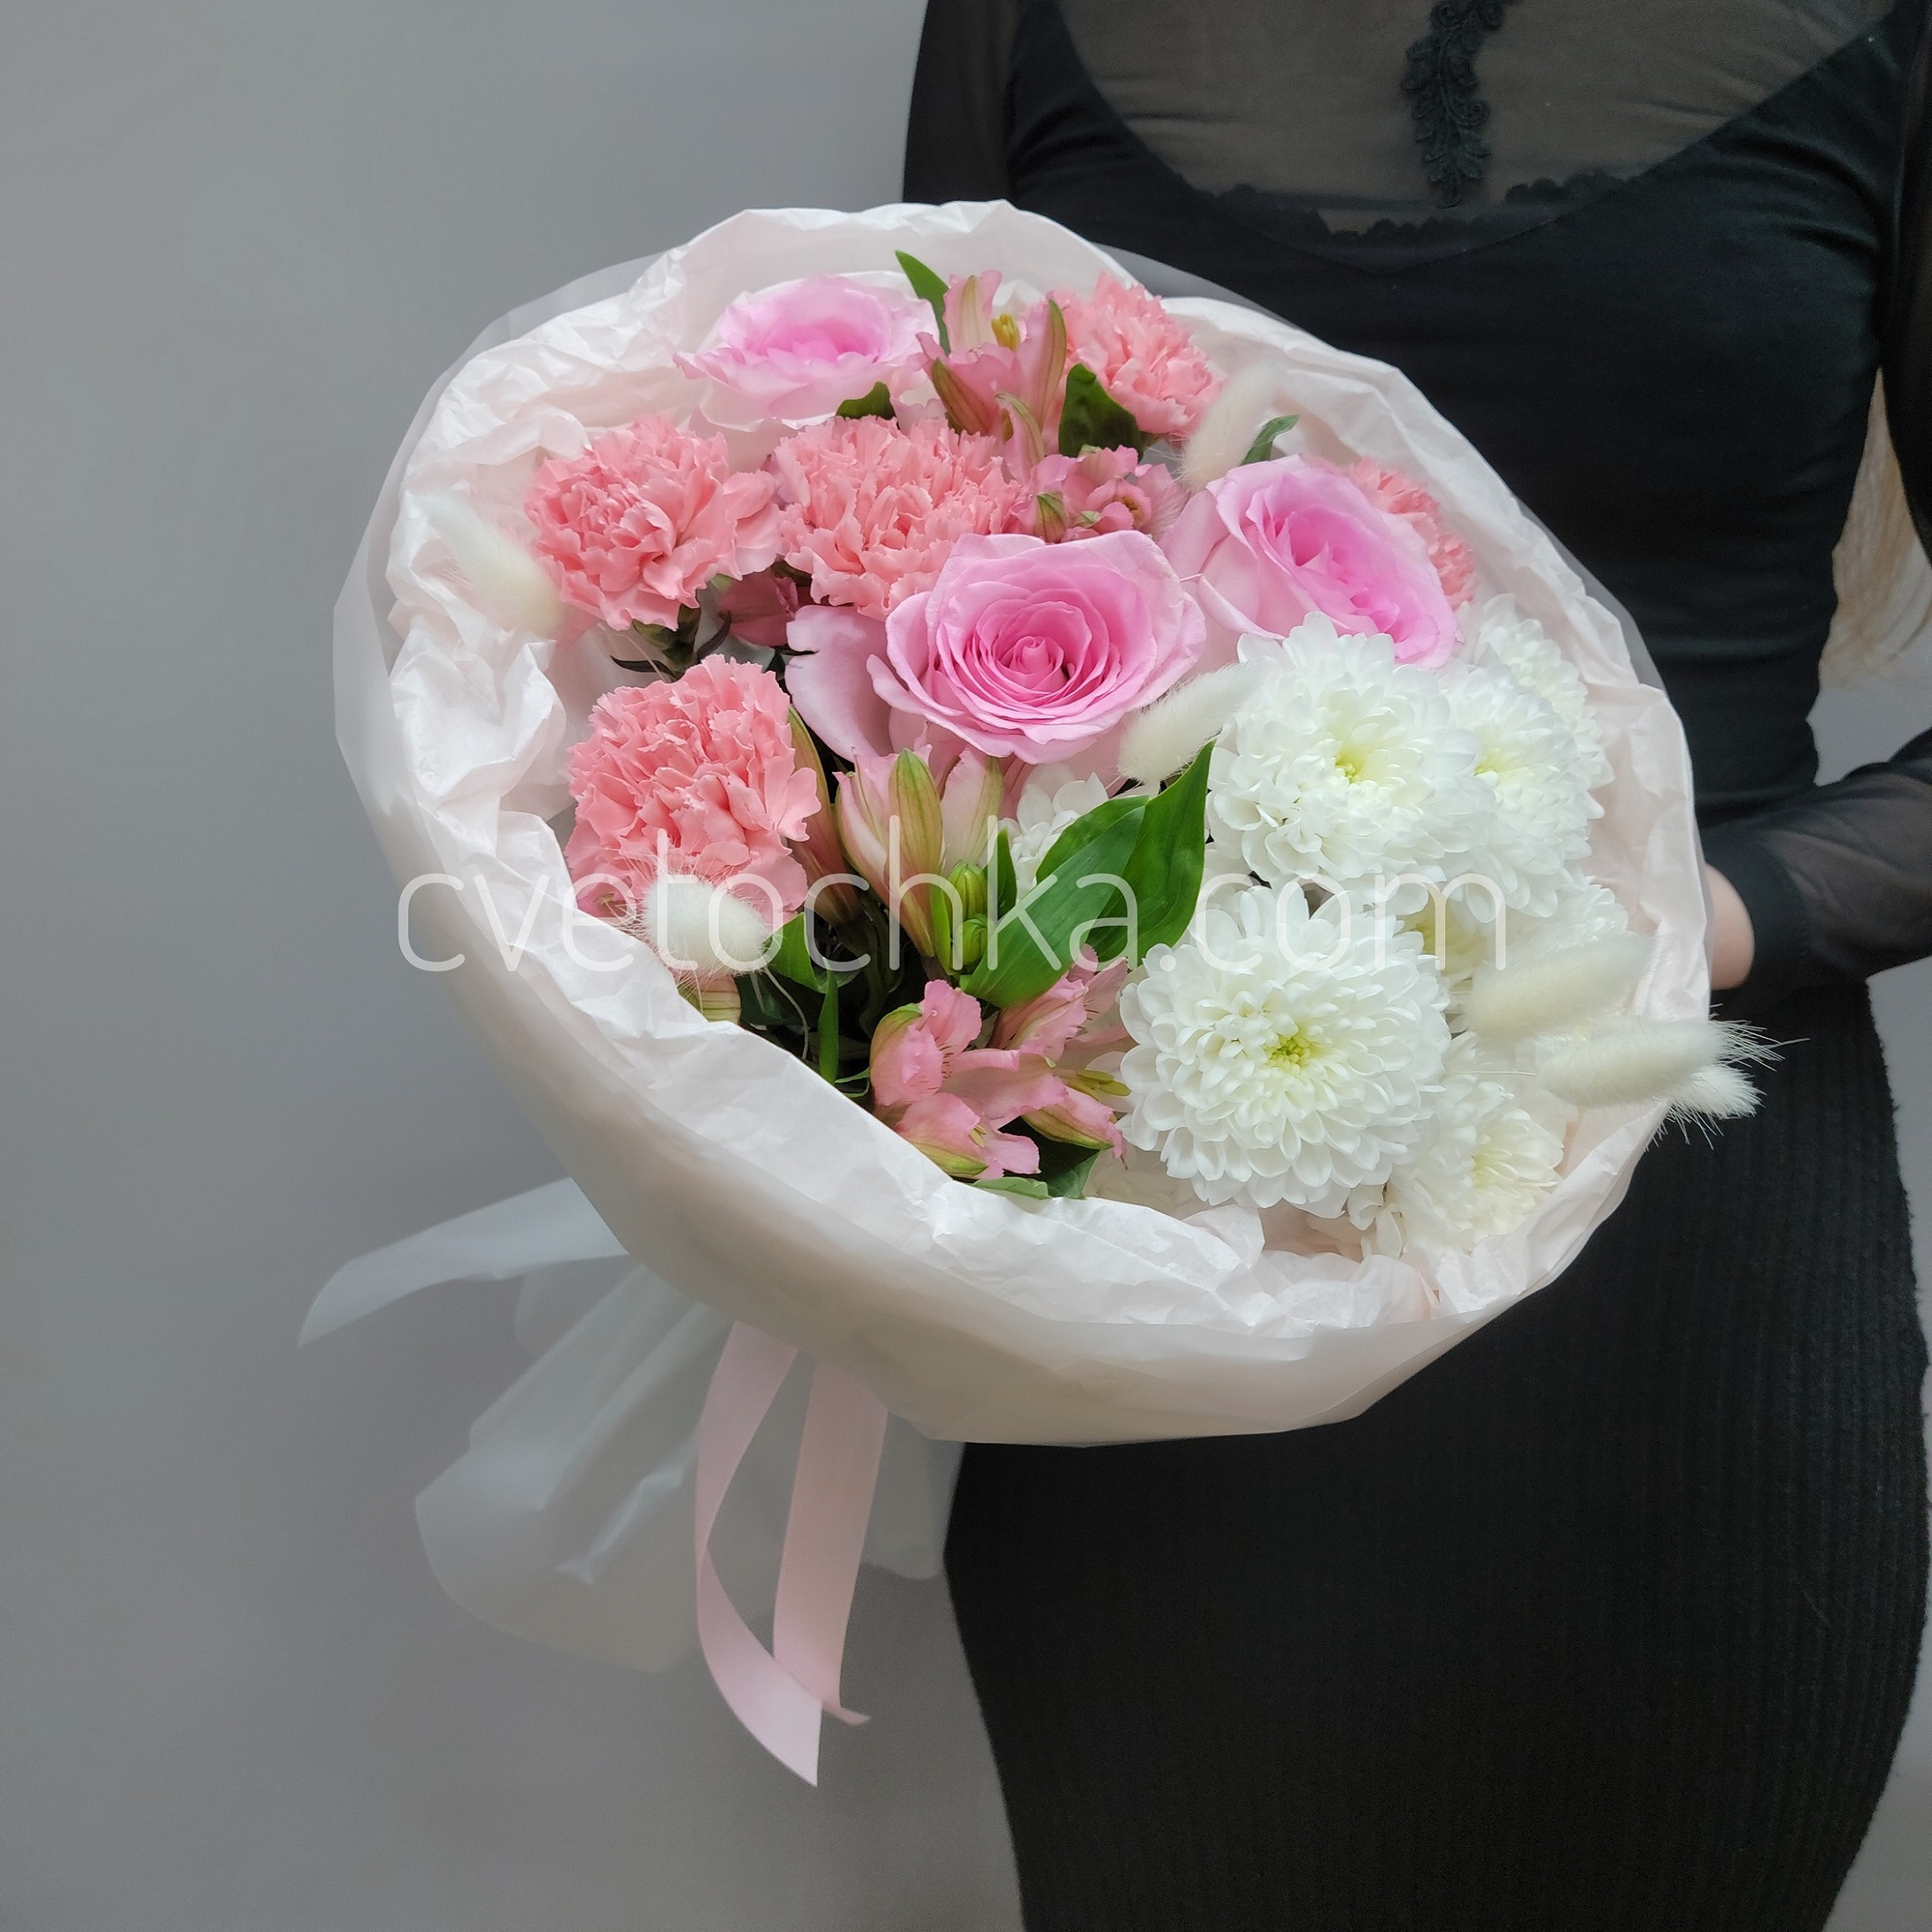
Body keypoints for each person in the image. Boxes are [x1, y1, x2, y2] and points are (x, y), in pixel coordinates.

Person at [905, 4, 1932, 1927]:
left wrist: (1661, 929)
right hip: (1174, 1251)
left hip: (1683, 1273)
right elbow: (922, 567)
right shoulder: (1018, 19)